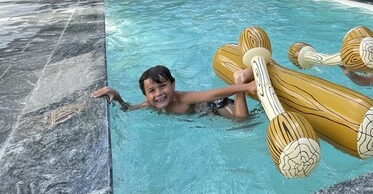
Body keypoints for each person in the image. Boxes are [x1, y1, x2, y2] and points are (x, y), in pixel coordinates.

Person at [91, 65, 257, 121]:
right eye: (151, 91)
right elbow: (128, 108)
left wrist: (245, 88)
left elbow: (214, 94)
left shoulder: (184, 98)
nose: (159, 94)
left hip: (216, 105)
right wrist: (117, 96)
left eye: (162, 86)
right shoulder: (150, 104)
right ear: (146, 95)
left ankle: (240, 80)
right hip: (205, 114)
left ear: (173, 84)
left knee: (241, 122)